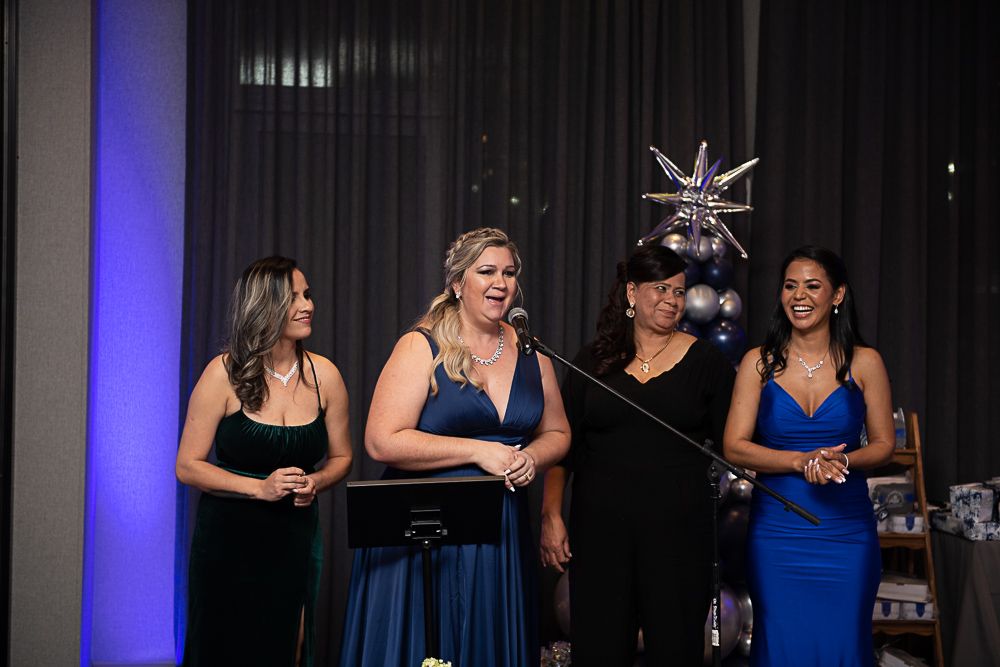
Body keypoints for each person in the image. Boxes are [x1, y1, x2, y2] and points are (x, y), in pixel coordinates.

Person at [339, 227, 571, 667]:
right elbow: (381, 440)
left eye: (508, 273)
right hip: (428, 528)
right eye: (486, 272)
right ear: (458, 283)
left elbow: (558, 433)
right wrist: (477, 451)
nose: (500, 283)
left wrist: (531, 457)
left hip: (501, 526)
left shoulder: (530, 351)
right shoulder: (421, 345)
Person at [540, 244, 735, 666]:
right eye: (660, 289)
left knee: (676, 650)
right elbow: (561, 444)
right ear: (632, 293)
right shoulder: (593, 360)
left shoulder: (707, 363)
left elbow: (733, 444)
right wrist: (551, 514)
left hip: (678, 537)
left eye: (679, 291)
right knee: (599, 650)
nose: (672, 300)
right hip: (601, 536)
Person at [176, 256, 353, 667]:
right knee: (222, 650)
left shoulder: (325, 375)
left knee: (286, 648)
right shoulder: (223, 373)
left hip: (294, 537)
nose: (307, 305)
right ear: (264, 306)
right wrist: (259, 488)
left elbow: (343, 457)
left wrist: (317, 481)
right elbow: (187, 465)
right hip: (227, 540)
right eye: (293, 298)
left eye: (307, 294)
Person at [723, 245, 894, 666]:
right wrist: (800, 461)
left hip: (846, 532)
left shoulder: (866, 362)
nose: (799, 296)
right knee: (781, 643)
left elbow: (884, 444)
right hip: (778, 534)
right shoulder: (758, 363)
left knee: (844, 643)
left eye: (812, 286)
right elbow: (734, 446)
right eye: (790, 286)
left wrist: (844, 461)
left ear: (837, 295)